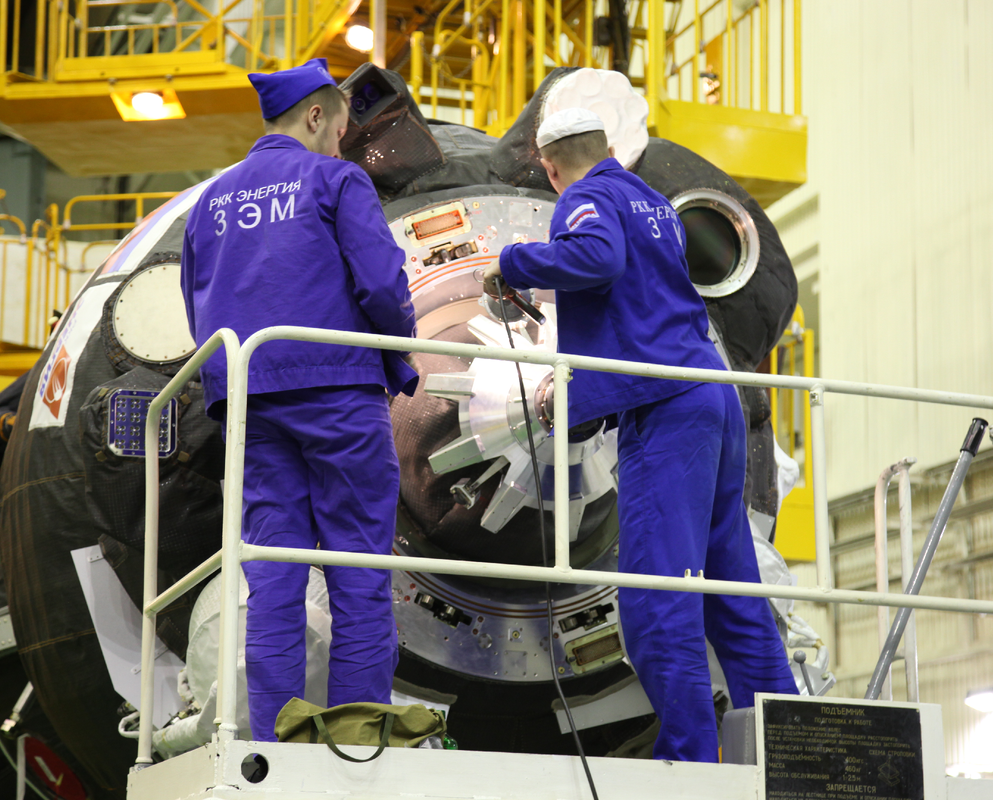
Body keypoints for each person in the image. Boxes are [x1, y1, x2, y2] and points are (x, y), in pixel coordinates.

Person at [483, 107, 797, 762]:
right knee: (732, 594)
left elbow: (597, 256)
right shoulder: (651, 202)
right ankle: (790, 749)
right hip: (712, 394)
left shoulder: (586, 197)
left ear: (550, 168)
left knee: (658, 594)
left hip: (664, 409)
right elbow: (641, 291)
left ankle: (688, 759)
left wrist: (514, 263)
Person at [180, 58, 418, 742]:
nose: (340, 144)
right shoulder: (335, 180)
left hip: (250, 401)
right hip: (338, 391)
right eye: (339, 130)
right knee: (358, 566)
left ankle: (274, 736)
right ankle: (356, 734)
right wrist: (400, 352)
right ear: (317, 116)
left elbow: (196, 307)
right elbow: (381, 285)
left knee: (273, 573)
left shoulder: (210, 202)